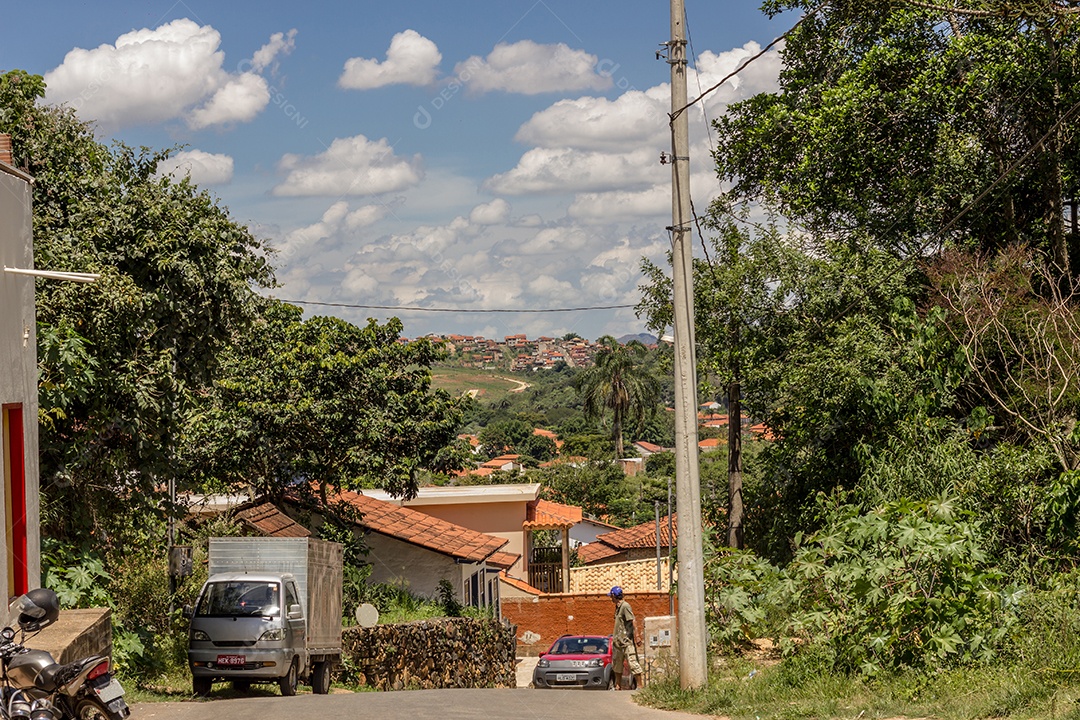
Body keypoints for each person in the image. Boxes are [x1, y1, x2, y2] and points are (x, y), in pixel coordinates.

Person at [609, 586, 643, 689]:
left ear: (614, 596)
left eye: (611, 596)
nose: (610, 598)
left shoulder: (625, 606)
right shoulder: (618, 608)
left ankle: (640, 686)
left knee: (632, 662)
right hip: (618, 642)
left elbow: (633, 620)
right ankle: (618, 685)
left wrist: (637, 636)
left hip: (626, 641)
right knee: (617, 664)